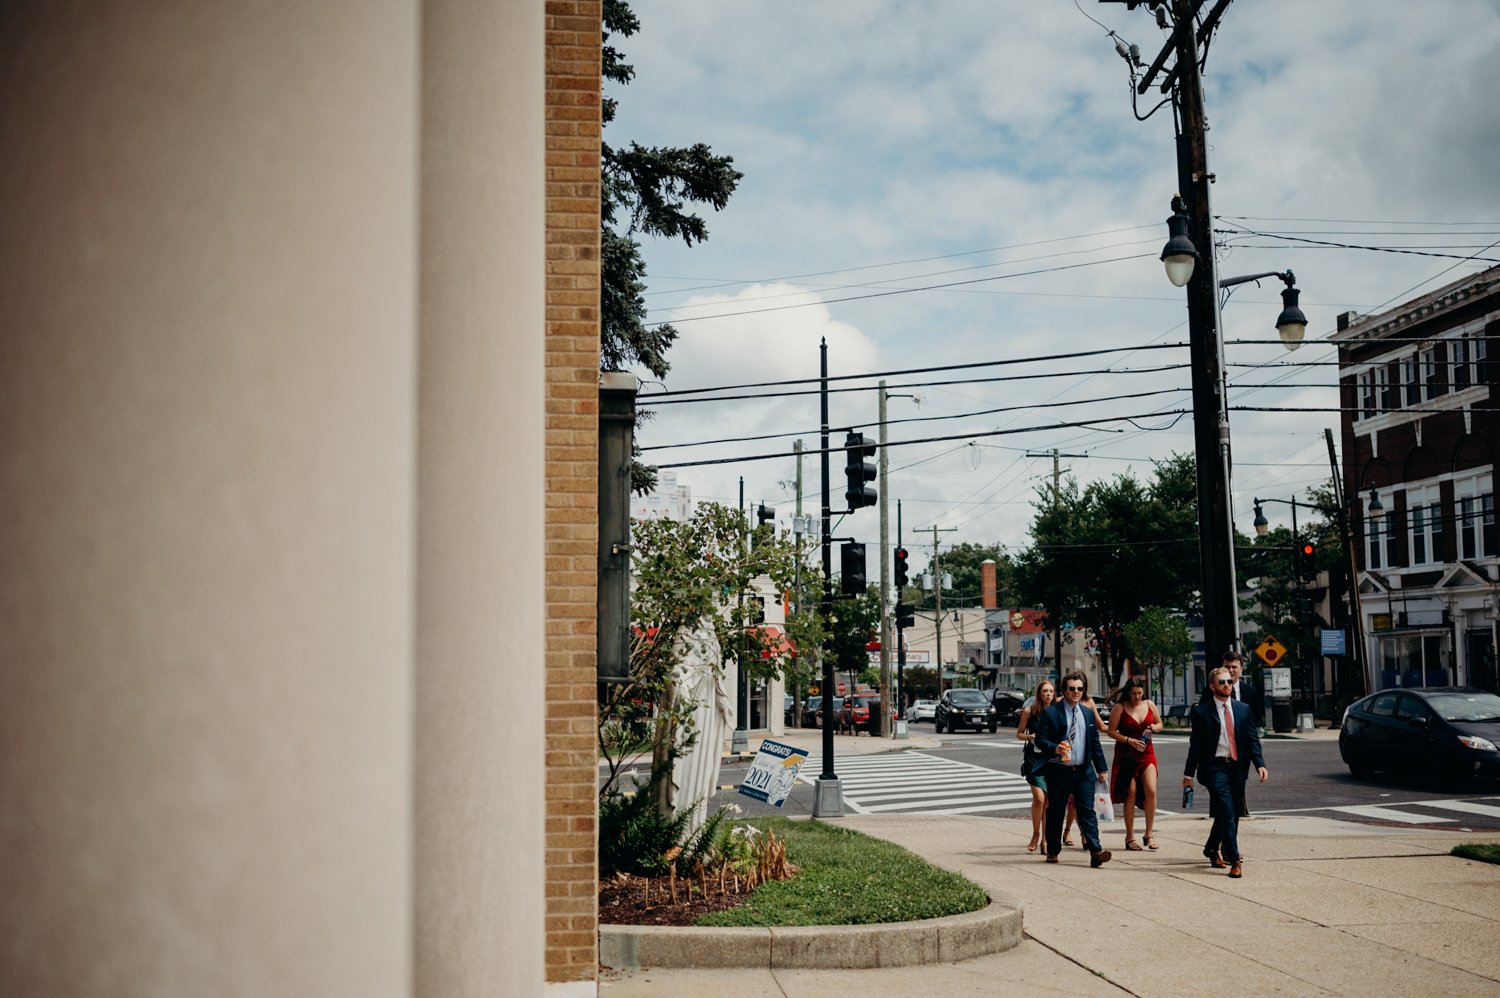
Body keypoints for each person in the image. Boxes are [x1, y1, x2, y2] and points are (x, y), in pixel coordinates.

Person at [1184, 666, 1268, 879]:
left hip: (1237, 768)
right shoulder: (1202, 712)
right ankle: (1235, 859)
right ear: (1212, 686)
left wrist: (1260, 764)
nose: (1226, 685)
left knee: (1228, 813)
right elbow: (1196, 746)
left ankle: (1212, 848)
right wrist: (1188, 775)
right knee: (1227, 810)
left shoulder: (1243, 709)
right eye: (1222, 682)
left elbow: (1251, 740)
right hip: (1214, 767)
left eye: (1229, 682)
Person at [1034, 672, 1112, 868]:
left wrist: (1102, 768)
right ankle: (1053, 850)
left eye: (1080, 688)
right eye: (1072, 688)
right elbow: (1040, 740)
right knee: (1056, 811)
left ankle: (1096, 851)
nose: (1076, 692)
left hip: (1083, 771)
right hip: (1059, 770)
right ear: (1064, 690)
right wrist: (1055, 747)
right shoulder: (1051, 712)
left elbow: (1094, 743)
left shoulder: (1086, 713)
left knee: (1087, 811)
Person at [1199, 649, 1264, 817]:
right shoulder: (1209, 692)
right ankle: (1223, 815)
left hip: (1241, 750)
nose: (1231, 670)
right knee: (1220, 791)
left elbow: (1256, 719)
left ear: (1241, 669)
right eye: (1227, 666)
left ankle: (1238, 811)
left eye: (1234, 667)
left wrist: (1258, 757)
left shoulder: (1249, 693)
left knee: (1239, 783)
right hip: (1217, 752)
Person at [1107, 677, 1162, 851]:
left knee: (1151, 790)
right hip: (1127, 756)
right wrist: (1129, 740)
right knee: (1130, 793)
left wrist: (1154, 728)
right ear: (1128, 692)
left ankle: (1149, 833)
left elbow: (1159, 723)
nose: (1137, 697)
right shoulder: (1120, 707)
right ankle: (1130, 836)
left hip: (1146, 753)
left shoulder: (1149, 704)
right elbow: (1111, 731)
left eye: (1139, 693)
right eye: (1133, 694)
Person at [1015, 679, 1056, 853]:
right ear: (1039, 693)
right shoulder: (1029, 711)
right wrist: (1029, 737)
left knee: (1048, 801)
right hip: (1033, 758)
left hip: (1051, 758)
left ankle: (1045, 840)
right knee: (1039, 798)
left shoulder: (1057, 712)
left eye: (1051, 691)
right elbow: (1018, 734)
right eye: (1045, 691)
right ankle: (1035, 833)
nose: (1048, 694)